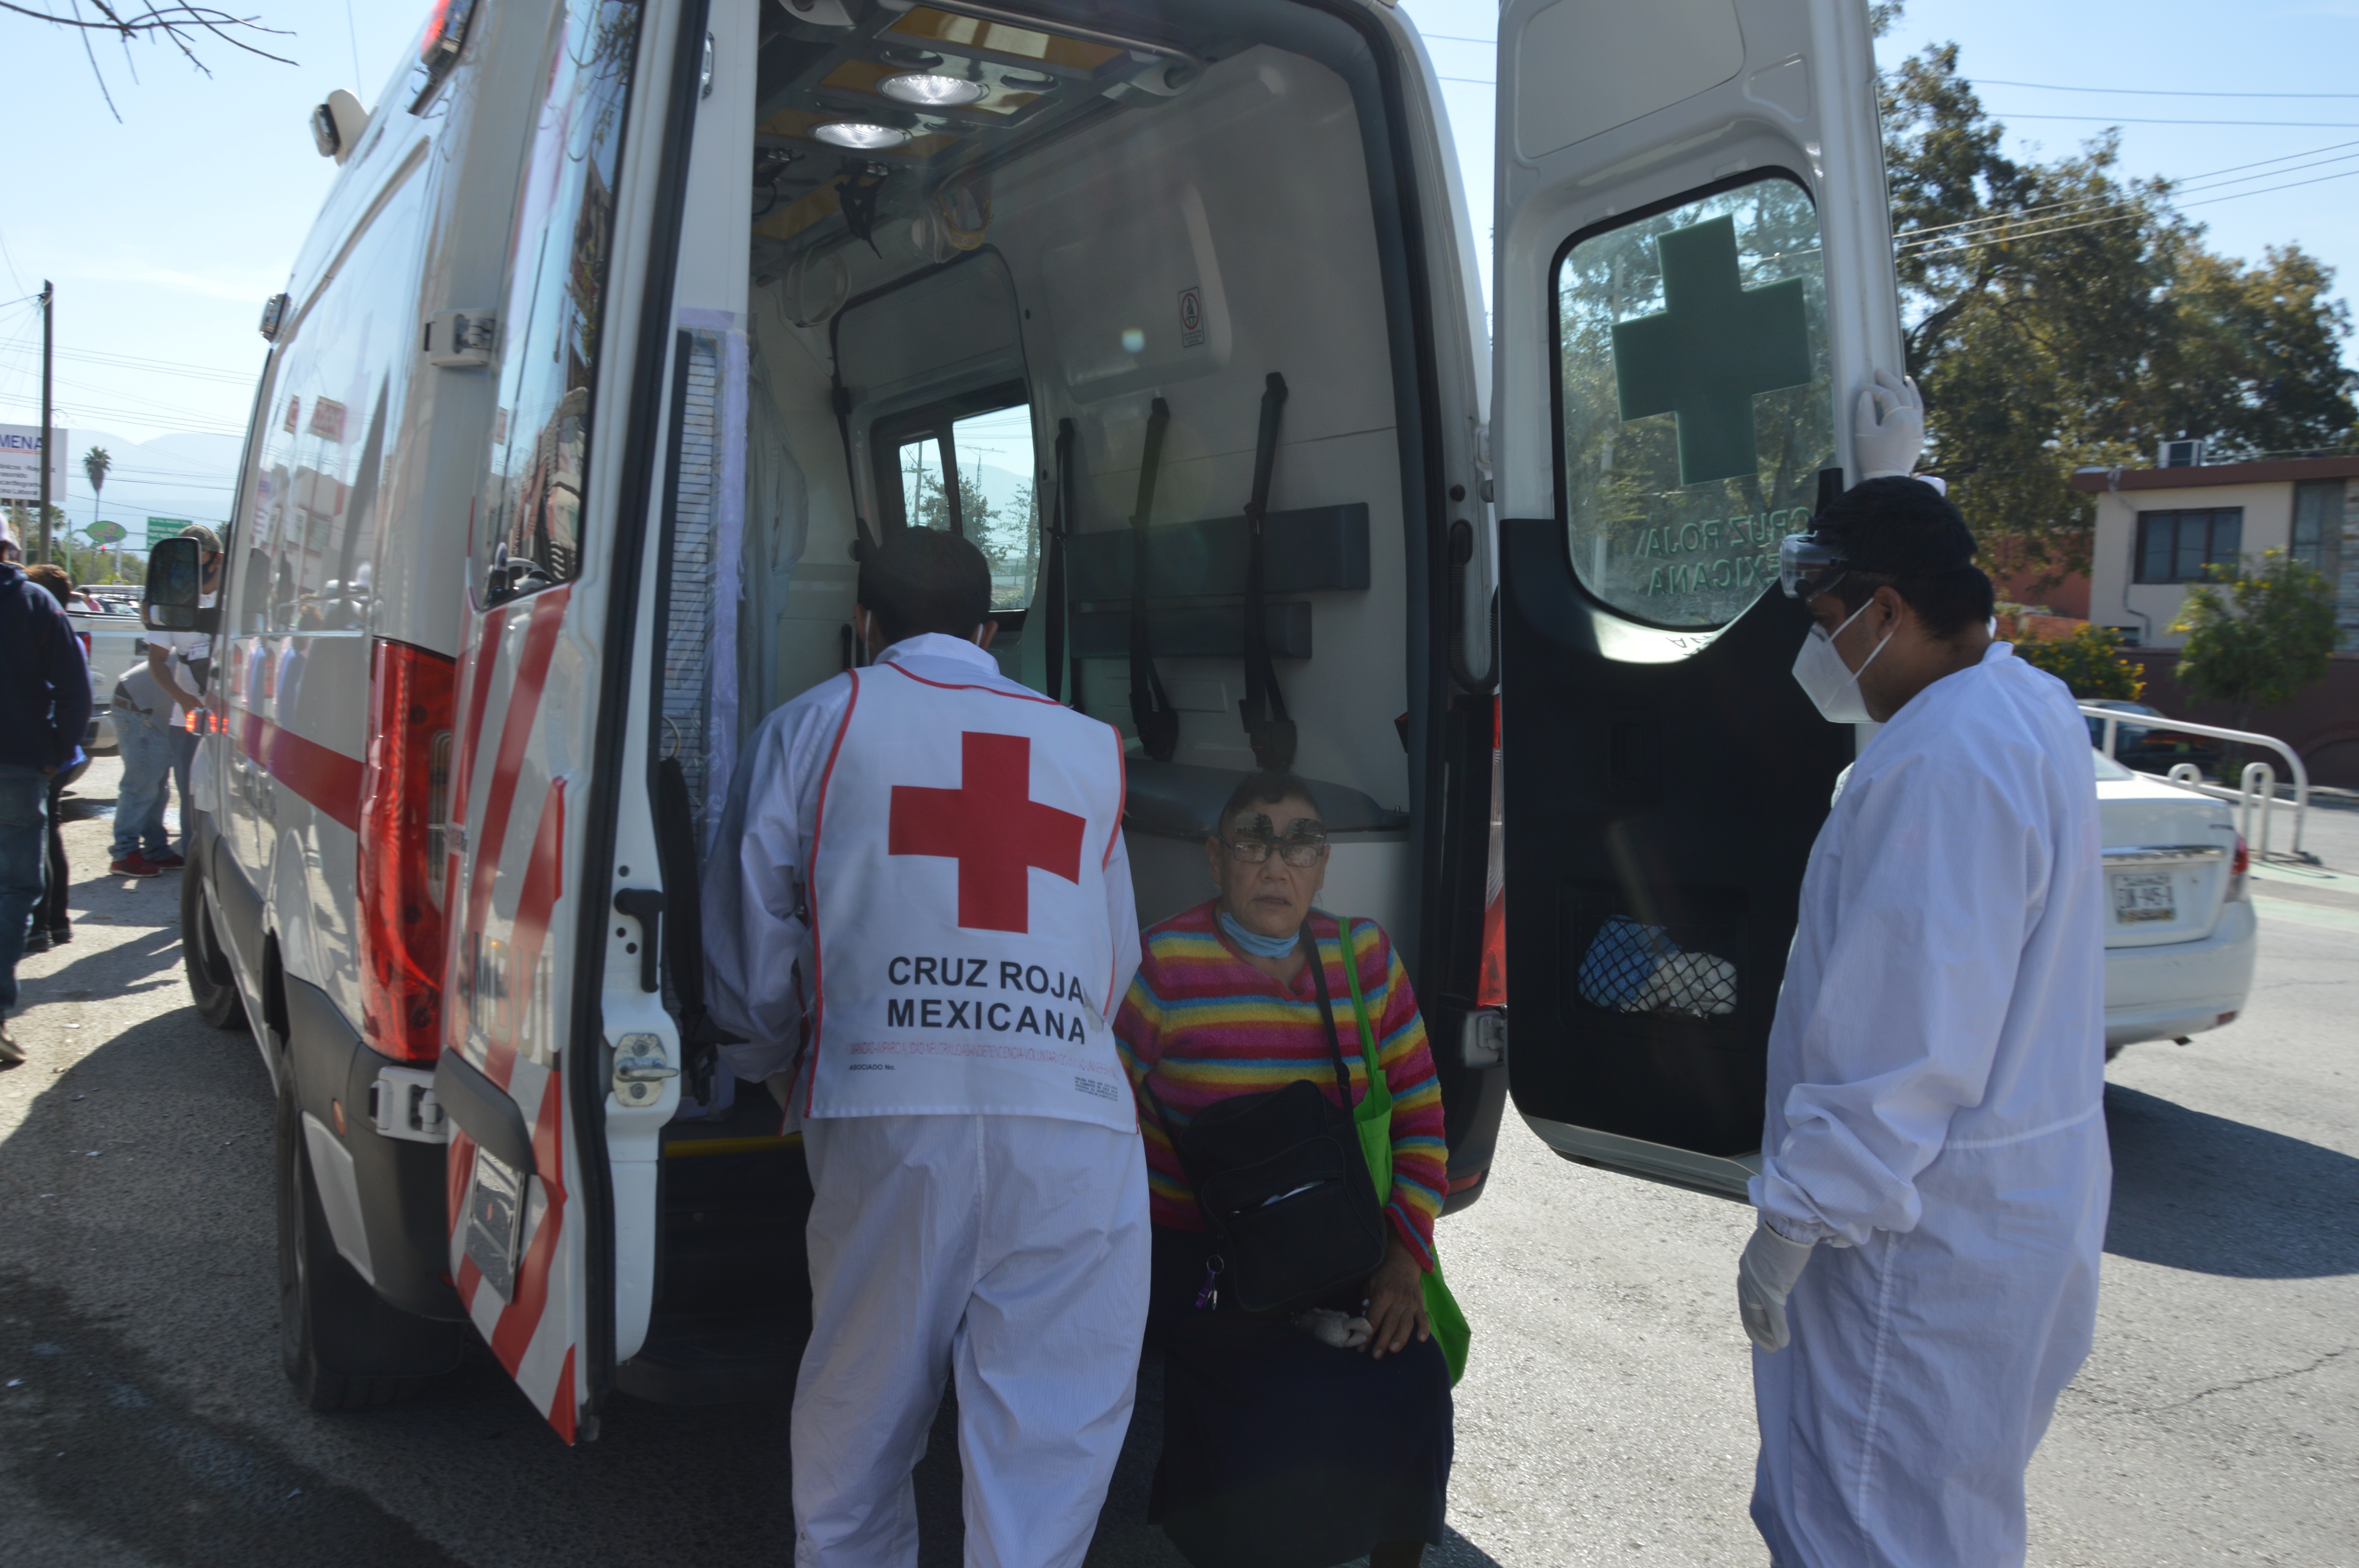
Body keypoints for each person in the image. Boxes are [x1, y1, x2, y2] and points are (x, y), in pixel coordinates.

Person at [703, 526, 1146, 1568]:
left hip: (886, 1111)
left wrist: (773, 1064)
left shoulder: (817, 725)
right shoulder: (1087, 746)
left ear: (864, 624)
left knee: (860, 1416)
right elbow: (1110, 961)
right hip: (1075, 1123)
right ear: (992, 631)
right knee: (1049, 1438)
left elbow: (749, 952)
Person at [1743, 476, 2107, 1567]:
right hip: (2015, 1207)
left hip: (1919, 1243)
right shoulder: (2025, 705)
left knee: (1865, 1528)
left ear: (1887, 611)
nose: (1820, 653)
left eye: (1827, 624)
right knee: (1952, 1524)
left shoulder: (1939, 762)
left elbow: (1907, 1035)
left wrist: (1799, 1214)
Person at [1115, 771, 1452, 1568]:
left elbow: (1421, 1118)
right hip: (1206, 1261)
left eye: (1299, 842)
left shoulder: (1363, 957)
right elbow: (1099, 1120)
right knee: (1271, 1411)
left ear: (1323, 864)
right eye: (1252, 840)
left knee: (1409, 1379)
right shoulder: (1160, 965)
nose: (1276, 863)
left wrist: (1403, 1261)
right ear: (1213, 858)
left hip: (1335, 1248)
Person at [0, 533, 93, 1063]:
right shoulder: (37, 603)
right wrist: (56, 752)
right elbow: (74, 688)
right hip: (18, 767)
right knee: (14, 889)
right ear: (8, 549)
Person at [145, 522, 222, 864]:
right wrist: (182, 696)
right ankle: (196, 870)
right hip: (189, 722)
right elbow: (157, 662)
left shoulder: (237, 601)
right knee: (192, 800)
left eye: (199, 559)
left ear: (216, 560)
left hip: (235, 719)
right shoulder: (173, 603)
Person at [22, 564, 84, 951]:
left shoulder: (43, 632)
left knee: (37, 841)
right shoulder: (65, 633)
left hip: (46, 753)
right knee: (49, 836)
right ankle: (56, 921)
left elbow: (64, 695)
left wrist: (55, 753)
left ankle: (39, 925)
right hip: (58, 752)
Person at [107, 655, 180, 878]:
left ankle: (155, 849)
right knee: (141, 785)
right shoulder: (218, 652)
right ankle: (124, 855)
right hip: (139, 706)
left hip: (147, 703)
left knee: (156, 785)